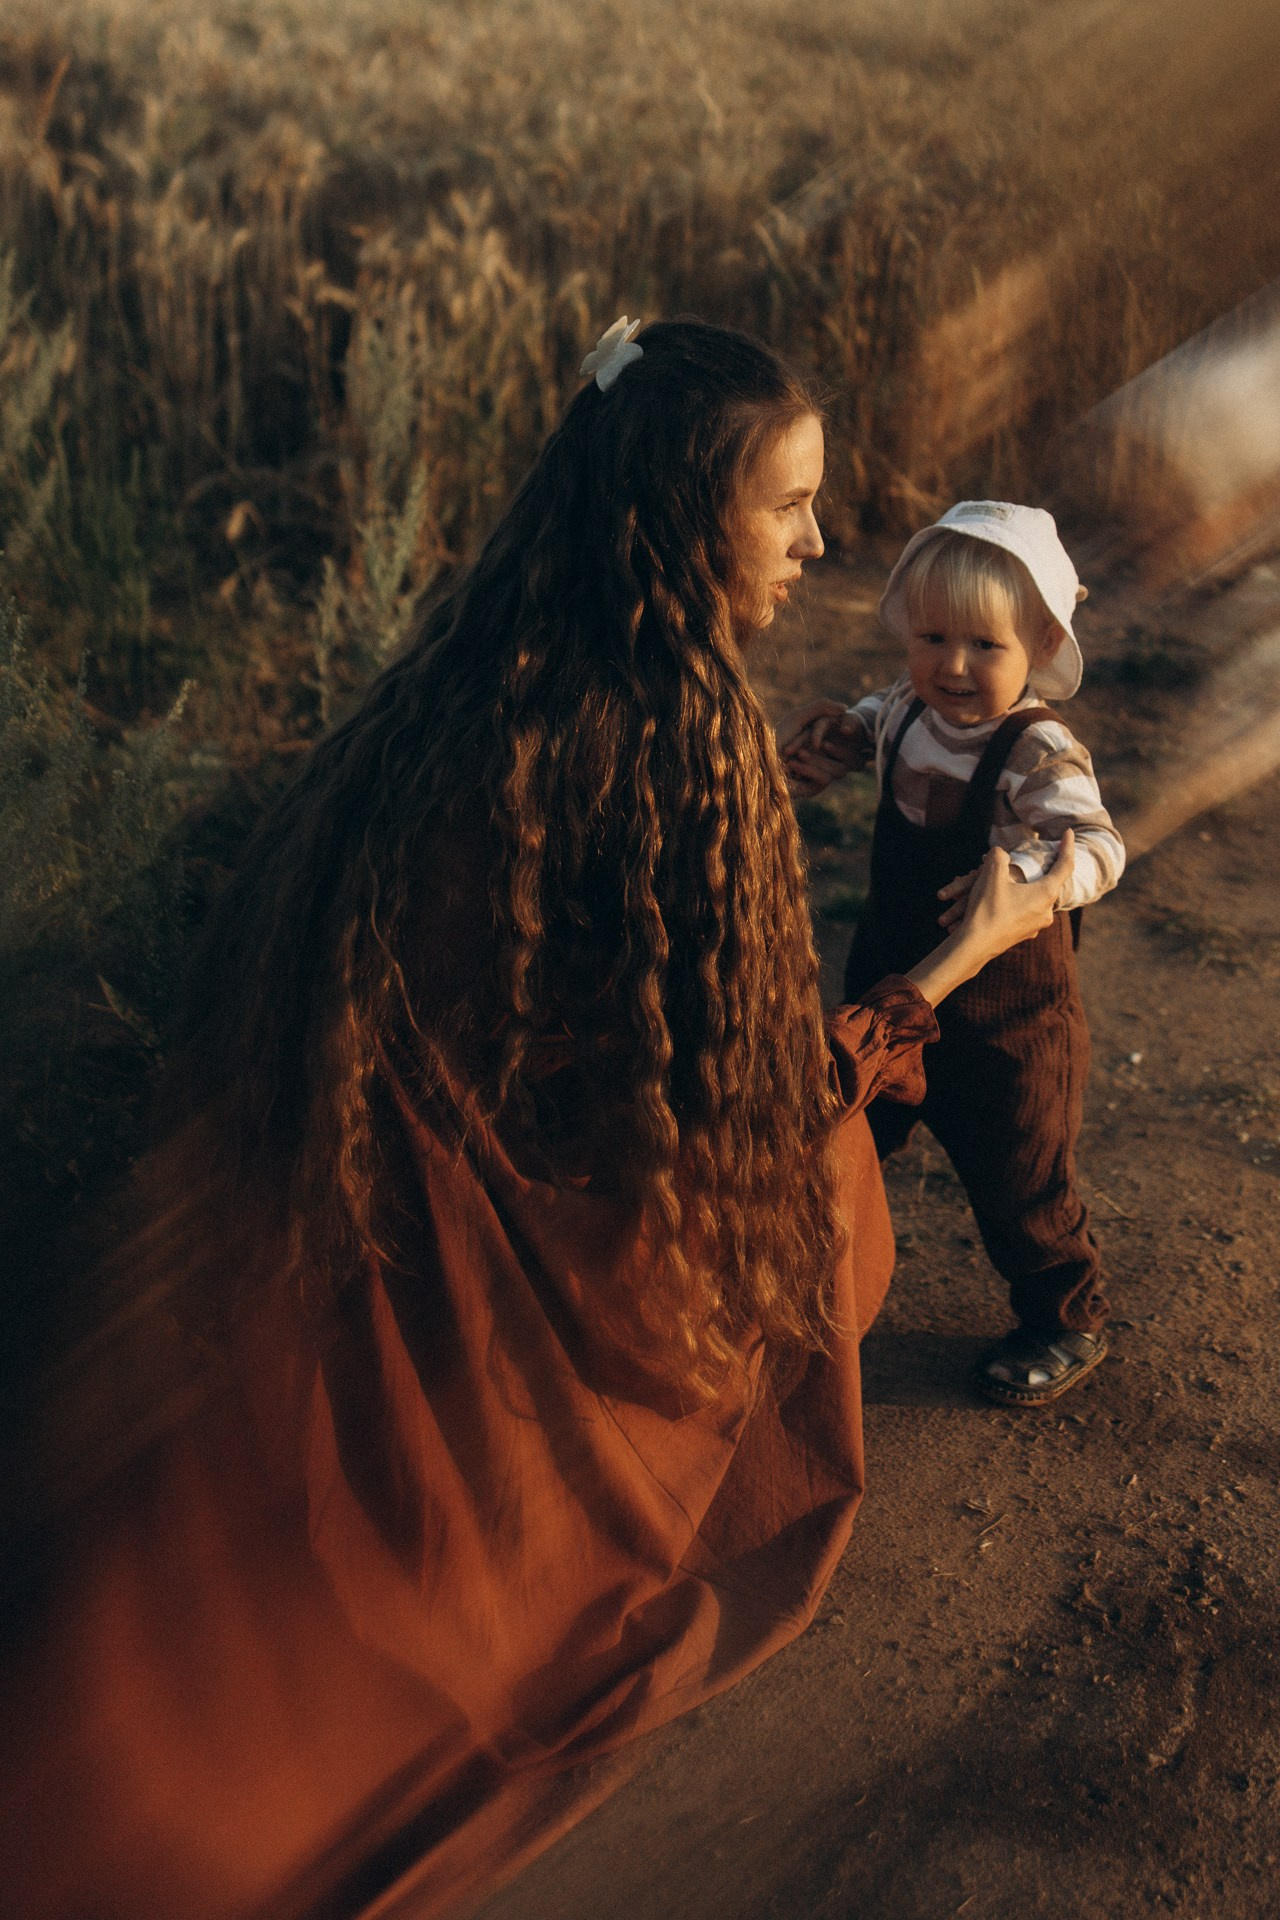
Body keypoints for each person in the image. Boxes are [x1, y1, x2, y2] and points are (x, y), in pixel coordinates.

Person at [0, 338, 1073, 1920]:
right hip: (511, 1204)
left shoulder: (479, 665)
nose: (817, 542)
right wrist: (936, 978)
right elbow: (738, 1102)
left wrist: (764, 799)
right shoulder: (670, 724)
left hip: (347, 1184)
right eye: (789, 505)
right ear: (687, 517)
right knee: (826, 1192)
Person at [779, 501, 1123, 1407]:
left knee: (1022, 1177)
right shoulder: (903, 709)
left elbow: (1101, 846)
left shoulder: (1037, 749)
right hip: (892, 992)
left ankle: (1064, 1313)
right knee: (844, 1138)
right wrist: (847, 739)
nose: (953, 666)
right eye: (931, 637)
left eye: (985, 645)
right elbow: (878, 715)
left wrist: (1038, 878)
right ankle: (796, 1285)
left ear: (1042, 642)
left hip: (1007, 1024)